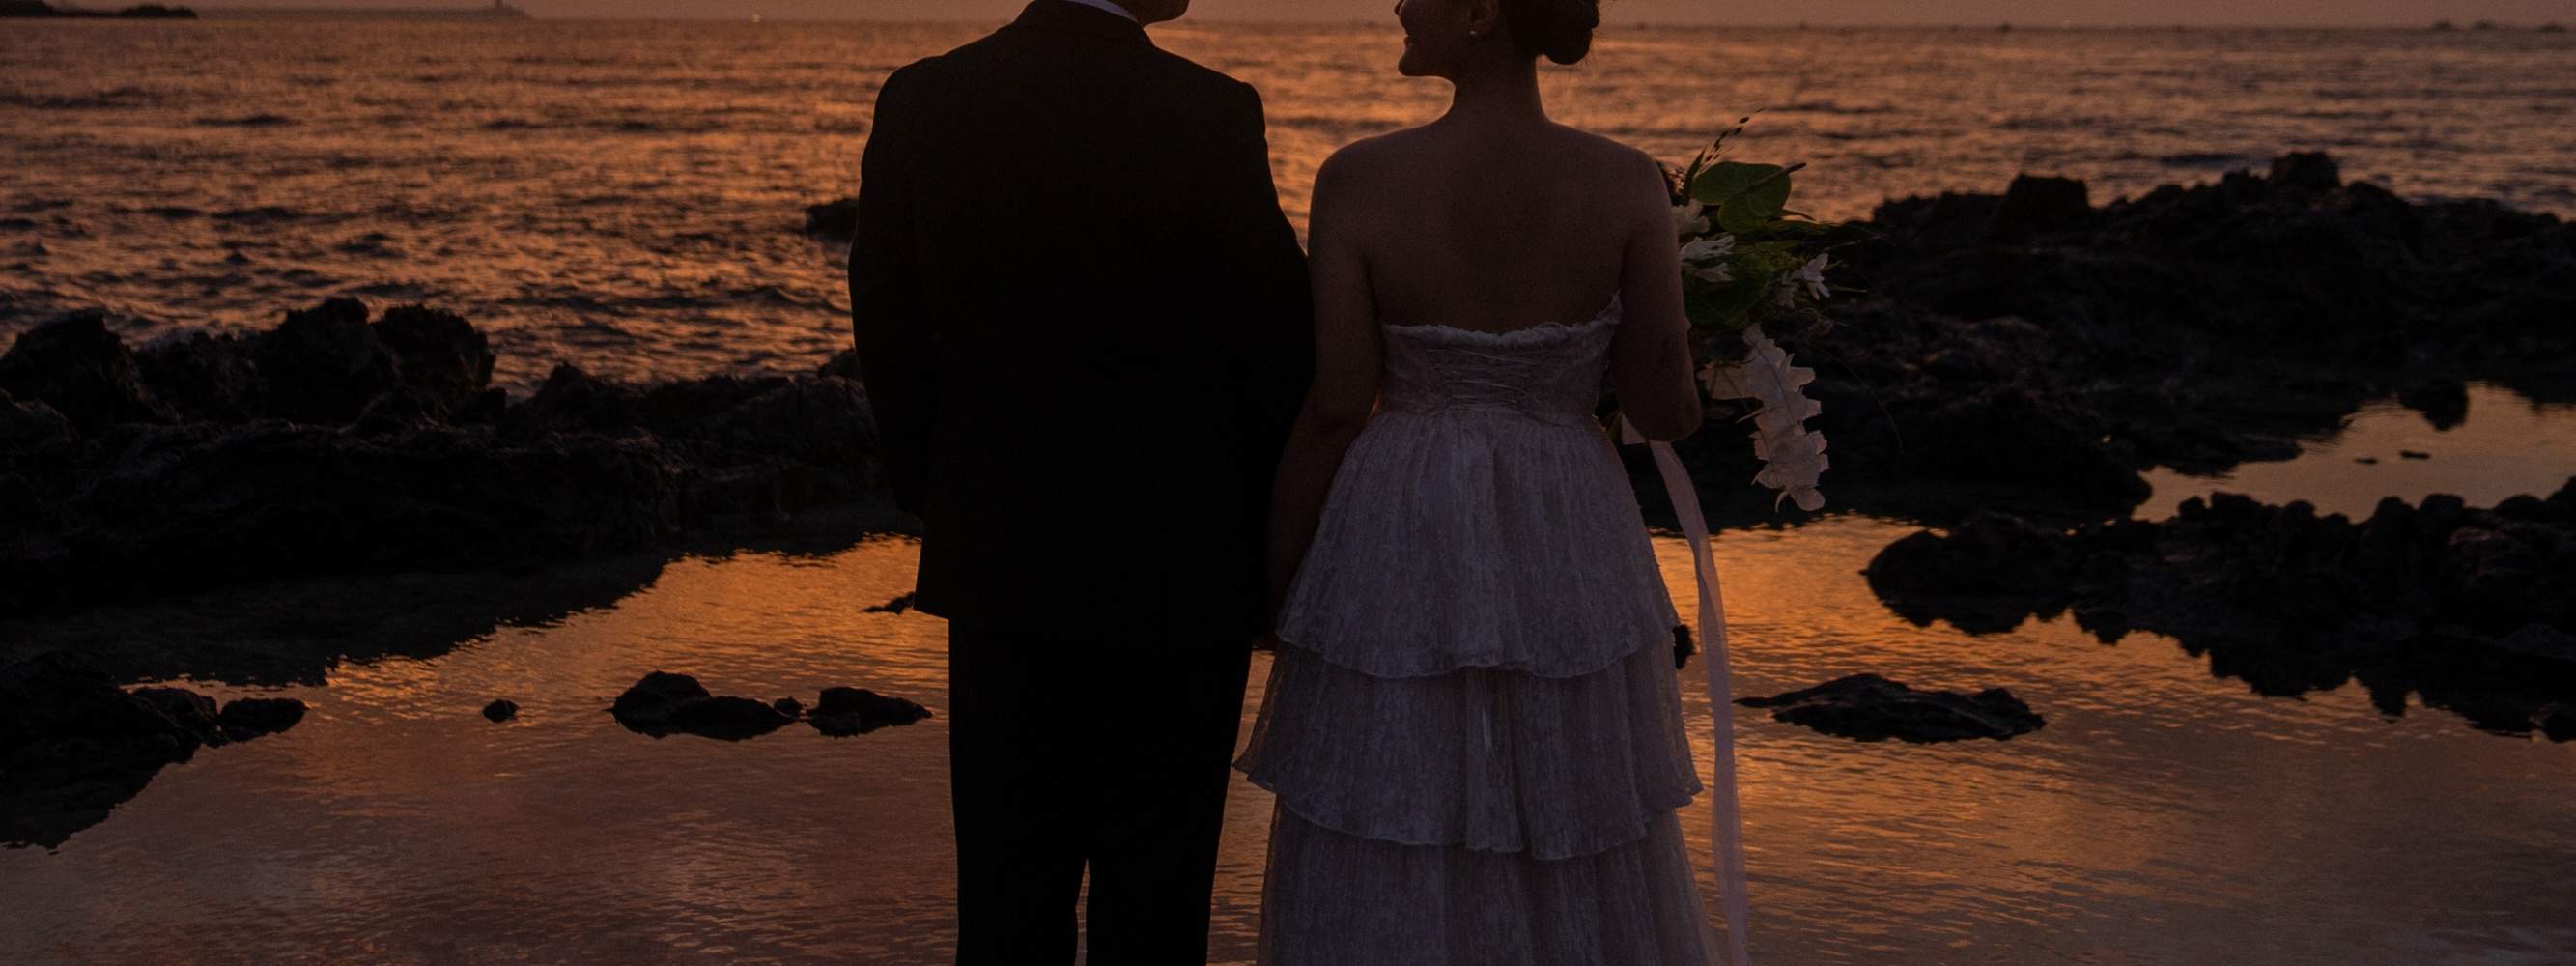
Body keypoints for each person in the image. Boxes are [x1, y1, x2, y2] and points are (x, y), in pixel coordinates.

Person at [1231, 0, 1724, 961]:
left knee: (1393, 792)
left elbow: (1338, 403)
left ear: (1480, 13)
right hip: (1566, 514)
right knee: (1569, 796)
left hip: (1401, 507)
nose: (1401, 6)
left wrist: (1284, 576)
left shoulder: (1359, 179)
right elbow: (1666, 412)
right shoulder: (1626, 183)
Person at [844, 0, 1312, 961]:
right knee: (1158, 899)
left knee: (1009, 897)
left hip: (1000, 553)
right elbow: (1275, 346)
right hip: (1180, 566)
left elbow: (885, 313)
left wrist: (939, 489)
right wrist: (1273, 535)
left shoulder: (927, 97)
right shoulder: (1210, 110)